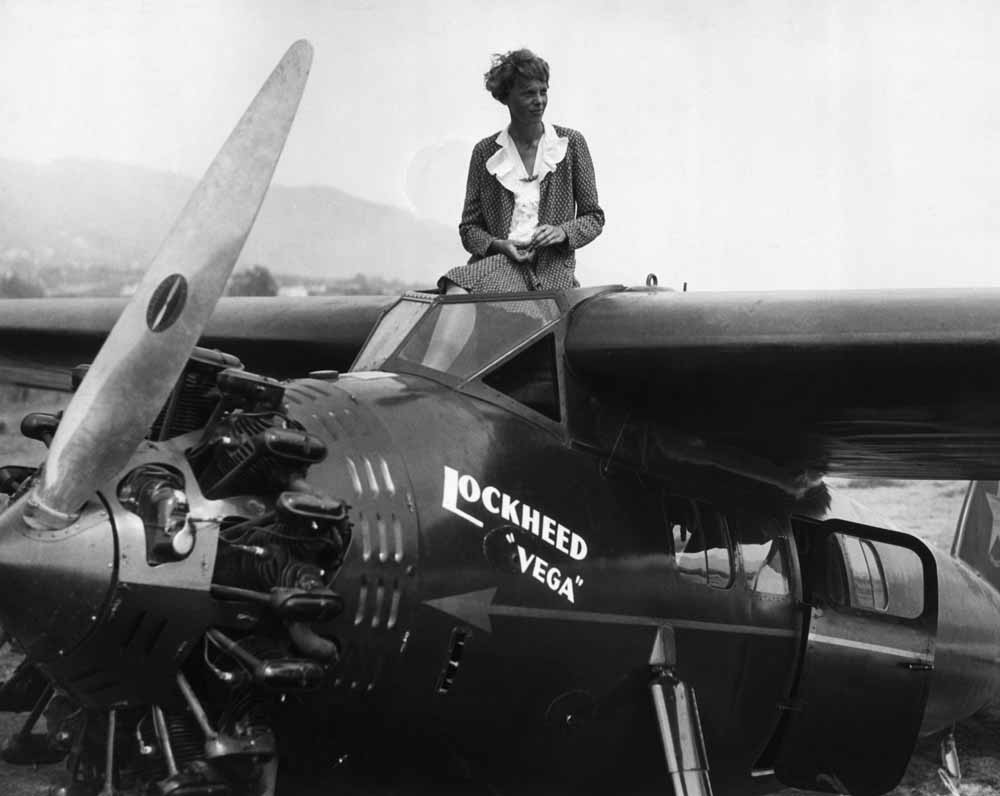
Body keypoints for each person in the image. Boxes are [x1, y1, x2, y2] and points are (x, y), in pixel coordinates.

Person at [440, 49, 605, 294]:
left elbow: (594, 217)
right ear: (506, 97)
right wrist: (499, 245)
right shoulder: (485, 152)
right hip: (501, 265)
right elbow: (469, 229)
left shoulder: (571, 144)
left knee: (459, 290)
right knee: (454, 286)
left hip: (552, 272)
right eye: (529, 93)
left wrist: (562, 232)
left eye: (543, 91)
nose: (539, 100)